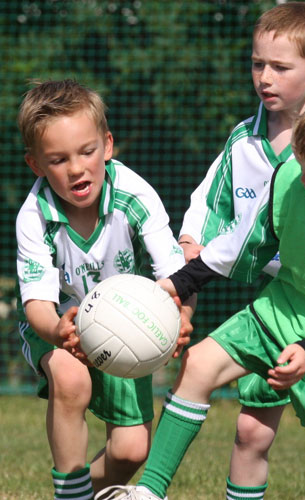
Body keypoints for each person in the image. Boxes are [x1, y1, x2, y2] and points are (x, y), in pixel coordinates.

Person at [97, 82, 305, 500]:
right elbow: (238, 245)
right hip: (282, 312)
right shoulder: (294, 175)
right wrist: (173, 285)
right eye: (302, 165)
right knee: (199, 364)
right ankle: (149, 492)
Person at [177, 3, 305, 498]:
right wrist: (189, 242)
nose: (264, 77)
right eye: (256, 63)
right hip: (273, 306)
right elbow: (211, 201)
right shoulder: (242, 140)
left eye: (280, 67)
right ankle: (149, 489)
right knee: (249, 432)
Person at [15, 79, 194, 500]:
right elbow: (38, 304)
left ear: (108, 145)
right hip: (60, 328)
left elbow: (176, 272)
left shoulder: (136, 195)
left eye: (87, 152)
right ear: (36, 165)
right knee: (70, 377)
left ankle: (81, 495)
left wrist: (182, 317)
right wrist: (59, 331)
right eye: (58, 159)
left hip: (127, 328)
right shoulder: (34, 216)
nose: (76, 168)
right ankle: (71, 493)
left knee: (131, 451)